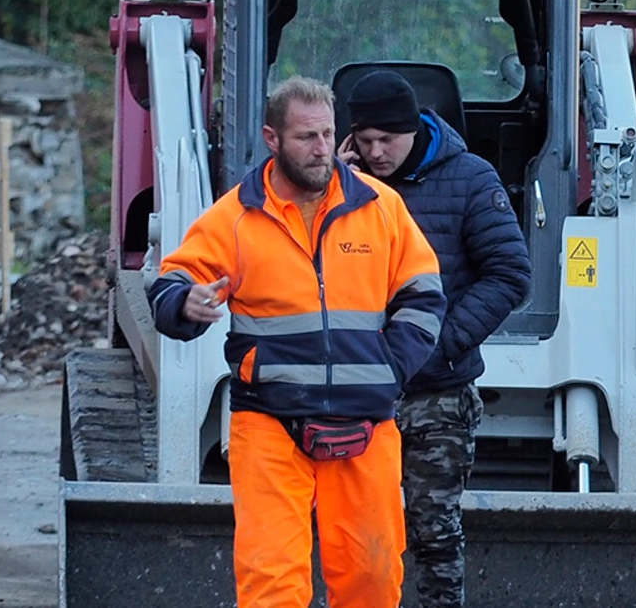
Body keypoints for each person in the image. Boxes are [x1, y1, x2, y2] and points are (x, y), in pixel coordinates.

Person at [148, 76, 445, 608]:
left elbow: (423, 294)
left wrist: (388, 367)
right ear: (272, 138)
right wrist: (183, 303)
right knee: (271, 586)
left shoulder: (381, 207)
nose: (321, 149)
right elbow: (172, 281)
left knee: (373, 582)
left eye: (329, 134)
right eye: (306, 137)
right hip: (268, 426)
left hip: (367, 424)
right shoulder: (236, 217)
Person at [337, 70, 531, 608]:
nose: (377, 153)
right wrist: (335, 187)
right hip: (355, 389)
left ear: (415, 128)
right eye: (365, 141)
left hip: (437, 393)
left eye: (387, 141)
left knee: (435, 532)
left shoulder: (471, 179)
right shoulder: (335, 184)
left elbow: (510, 274)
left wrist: (439, 341)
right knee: (352, 535)